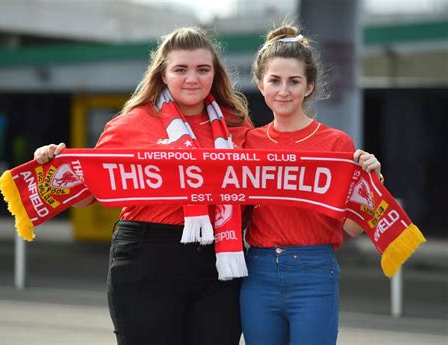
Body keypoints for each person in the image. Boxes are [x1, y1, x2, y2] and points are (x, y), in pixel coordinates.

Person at [34, 27, 253, 345]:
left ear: (214, 74)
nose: (192, 78)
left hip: (219, 263)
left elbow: (265, 185)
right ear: (163, 74)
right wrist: (53, 165)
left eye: (202, 69)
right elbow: (88, 195)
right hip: (147, 256)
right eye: (180, 69)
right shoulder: (129, 124)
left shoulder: (237, 124)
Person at [240, 24, 382, 345]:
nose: (283, 90)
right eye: (274, 81)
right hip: (258, 272)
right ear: (261, 85)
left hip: (314, 274)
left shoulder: (336, 144)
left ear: (309, 86)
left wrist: (372, 182)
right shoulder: (249, 142)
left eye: (294, 81)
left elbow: (352, 228)